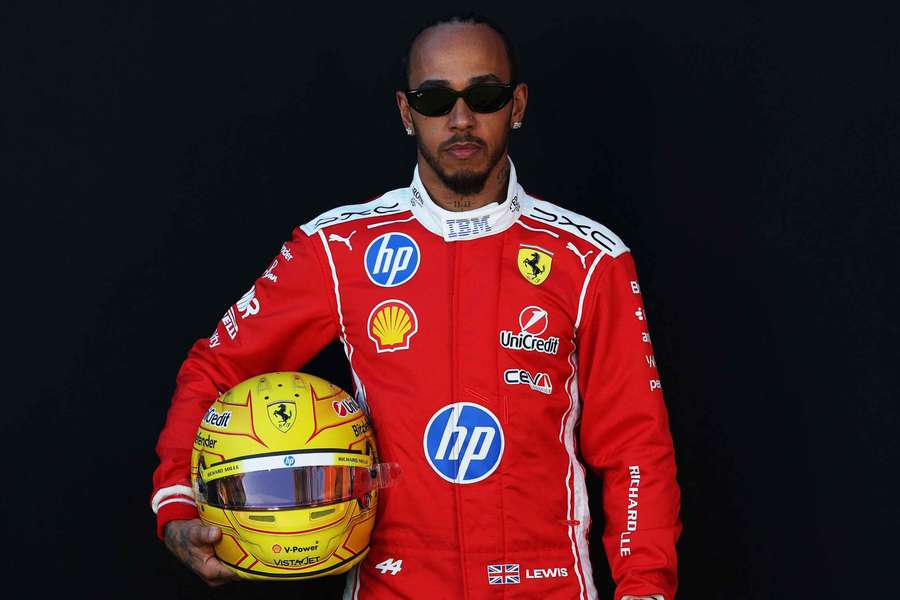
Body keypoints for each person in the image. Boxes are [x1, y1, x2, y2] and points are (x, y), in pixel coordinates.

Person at [151, 13, 682, 600]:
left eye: (484, 94)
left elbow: (636, 448)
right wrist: (177, 497)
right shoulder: (339, 249)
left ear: (518, 104)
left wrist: (646, 588)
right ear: (407, 113)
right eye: (435, 99)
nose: (460, 119)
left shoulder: (590, 259)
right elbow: (215, 367)